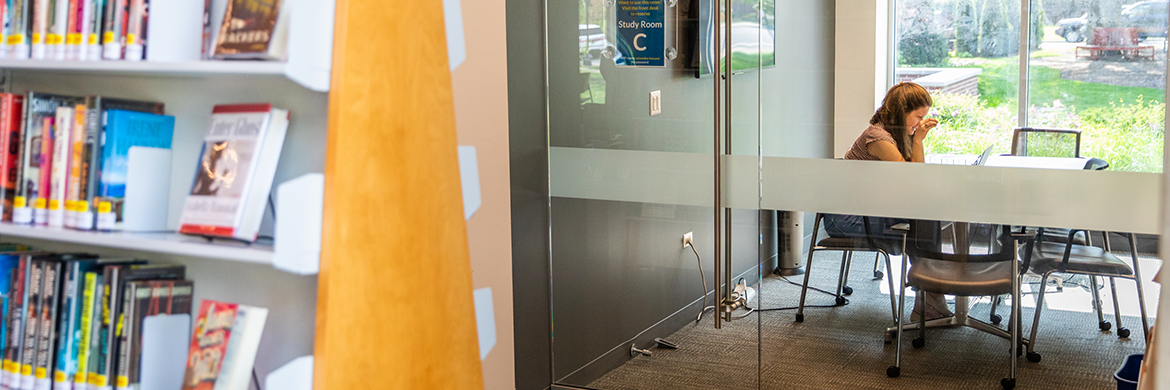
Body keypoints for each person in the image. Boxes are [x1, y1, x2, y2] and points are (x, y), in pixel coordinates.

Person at [823, 82, 950, 319]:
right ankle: (932, 294)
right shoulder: (879, 138)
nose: (921, 122)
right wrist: (919, 140)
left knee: (924, 219)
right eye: (918, 116)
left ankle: (930, 294)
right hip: (845, 218)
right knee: (922, 223)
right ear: (903, 112)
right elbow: (913, 179)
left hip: (870, 212)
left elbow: (914, 180)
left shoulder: (895, 135)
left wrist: (915, 139)